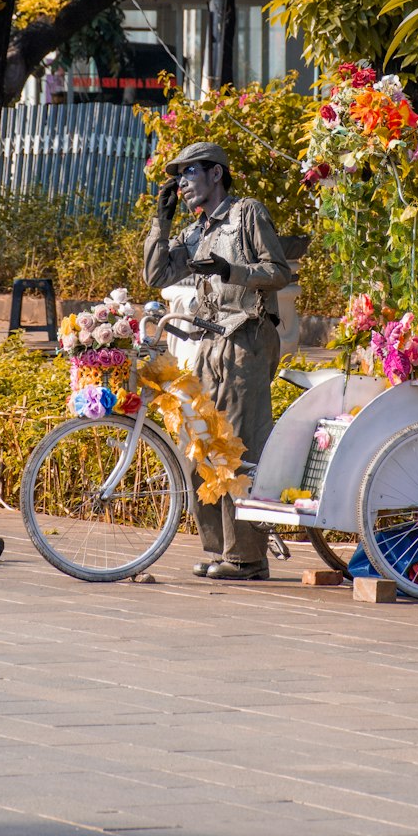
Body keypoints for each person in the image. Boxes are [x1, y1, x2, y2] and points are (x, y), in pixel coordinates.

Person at [143, 141, 292, 582]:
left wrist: (233, 272)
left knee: (239, 446)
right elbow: (156, 275)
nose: (183, 183)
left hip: (246, 338)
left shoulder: (246, 213)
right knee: (201, 444)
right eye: (179, 176)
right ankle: (218, 549)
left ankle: (247, 557)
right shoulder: (196, 230)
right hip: (206, 343)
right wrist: (162, 218)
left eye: (190, 173)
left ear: (216, 174)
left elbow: (279, 271)